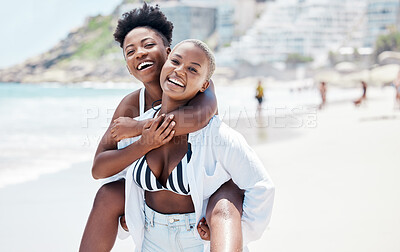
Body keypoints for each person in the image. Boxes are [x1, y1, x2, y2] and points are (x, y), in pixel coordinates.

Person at [79, 4, 245, 251]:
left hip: (201, 212)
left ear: (168, 52)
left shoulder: (199, 87)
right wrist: (143, 144)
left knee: (227, 196)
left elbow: (196, 119)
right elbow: (99, 168)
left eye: (148, 45)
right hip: (154, 216)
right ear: (128, 66)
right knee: (108, 194)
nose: (139, 54)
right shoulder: (131, 104)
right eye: (130, 51)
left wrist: (138, 128)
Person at [118, 39, 274, 251]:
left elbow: (261, 187)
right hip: (151, 240)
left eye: (193, 69)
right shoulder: (136, 128)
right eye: (175, 61)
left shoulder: (217, 135)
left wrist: (240, 232)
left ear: (204, 85)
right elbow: (114, 177)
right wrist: (128, 217)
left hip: (199, 240)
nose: (180, 70)